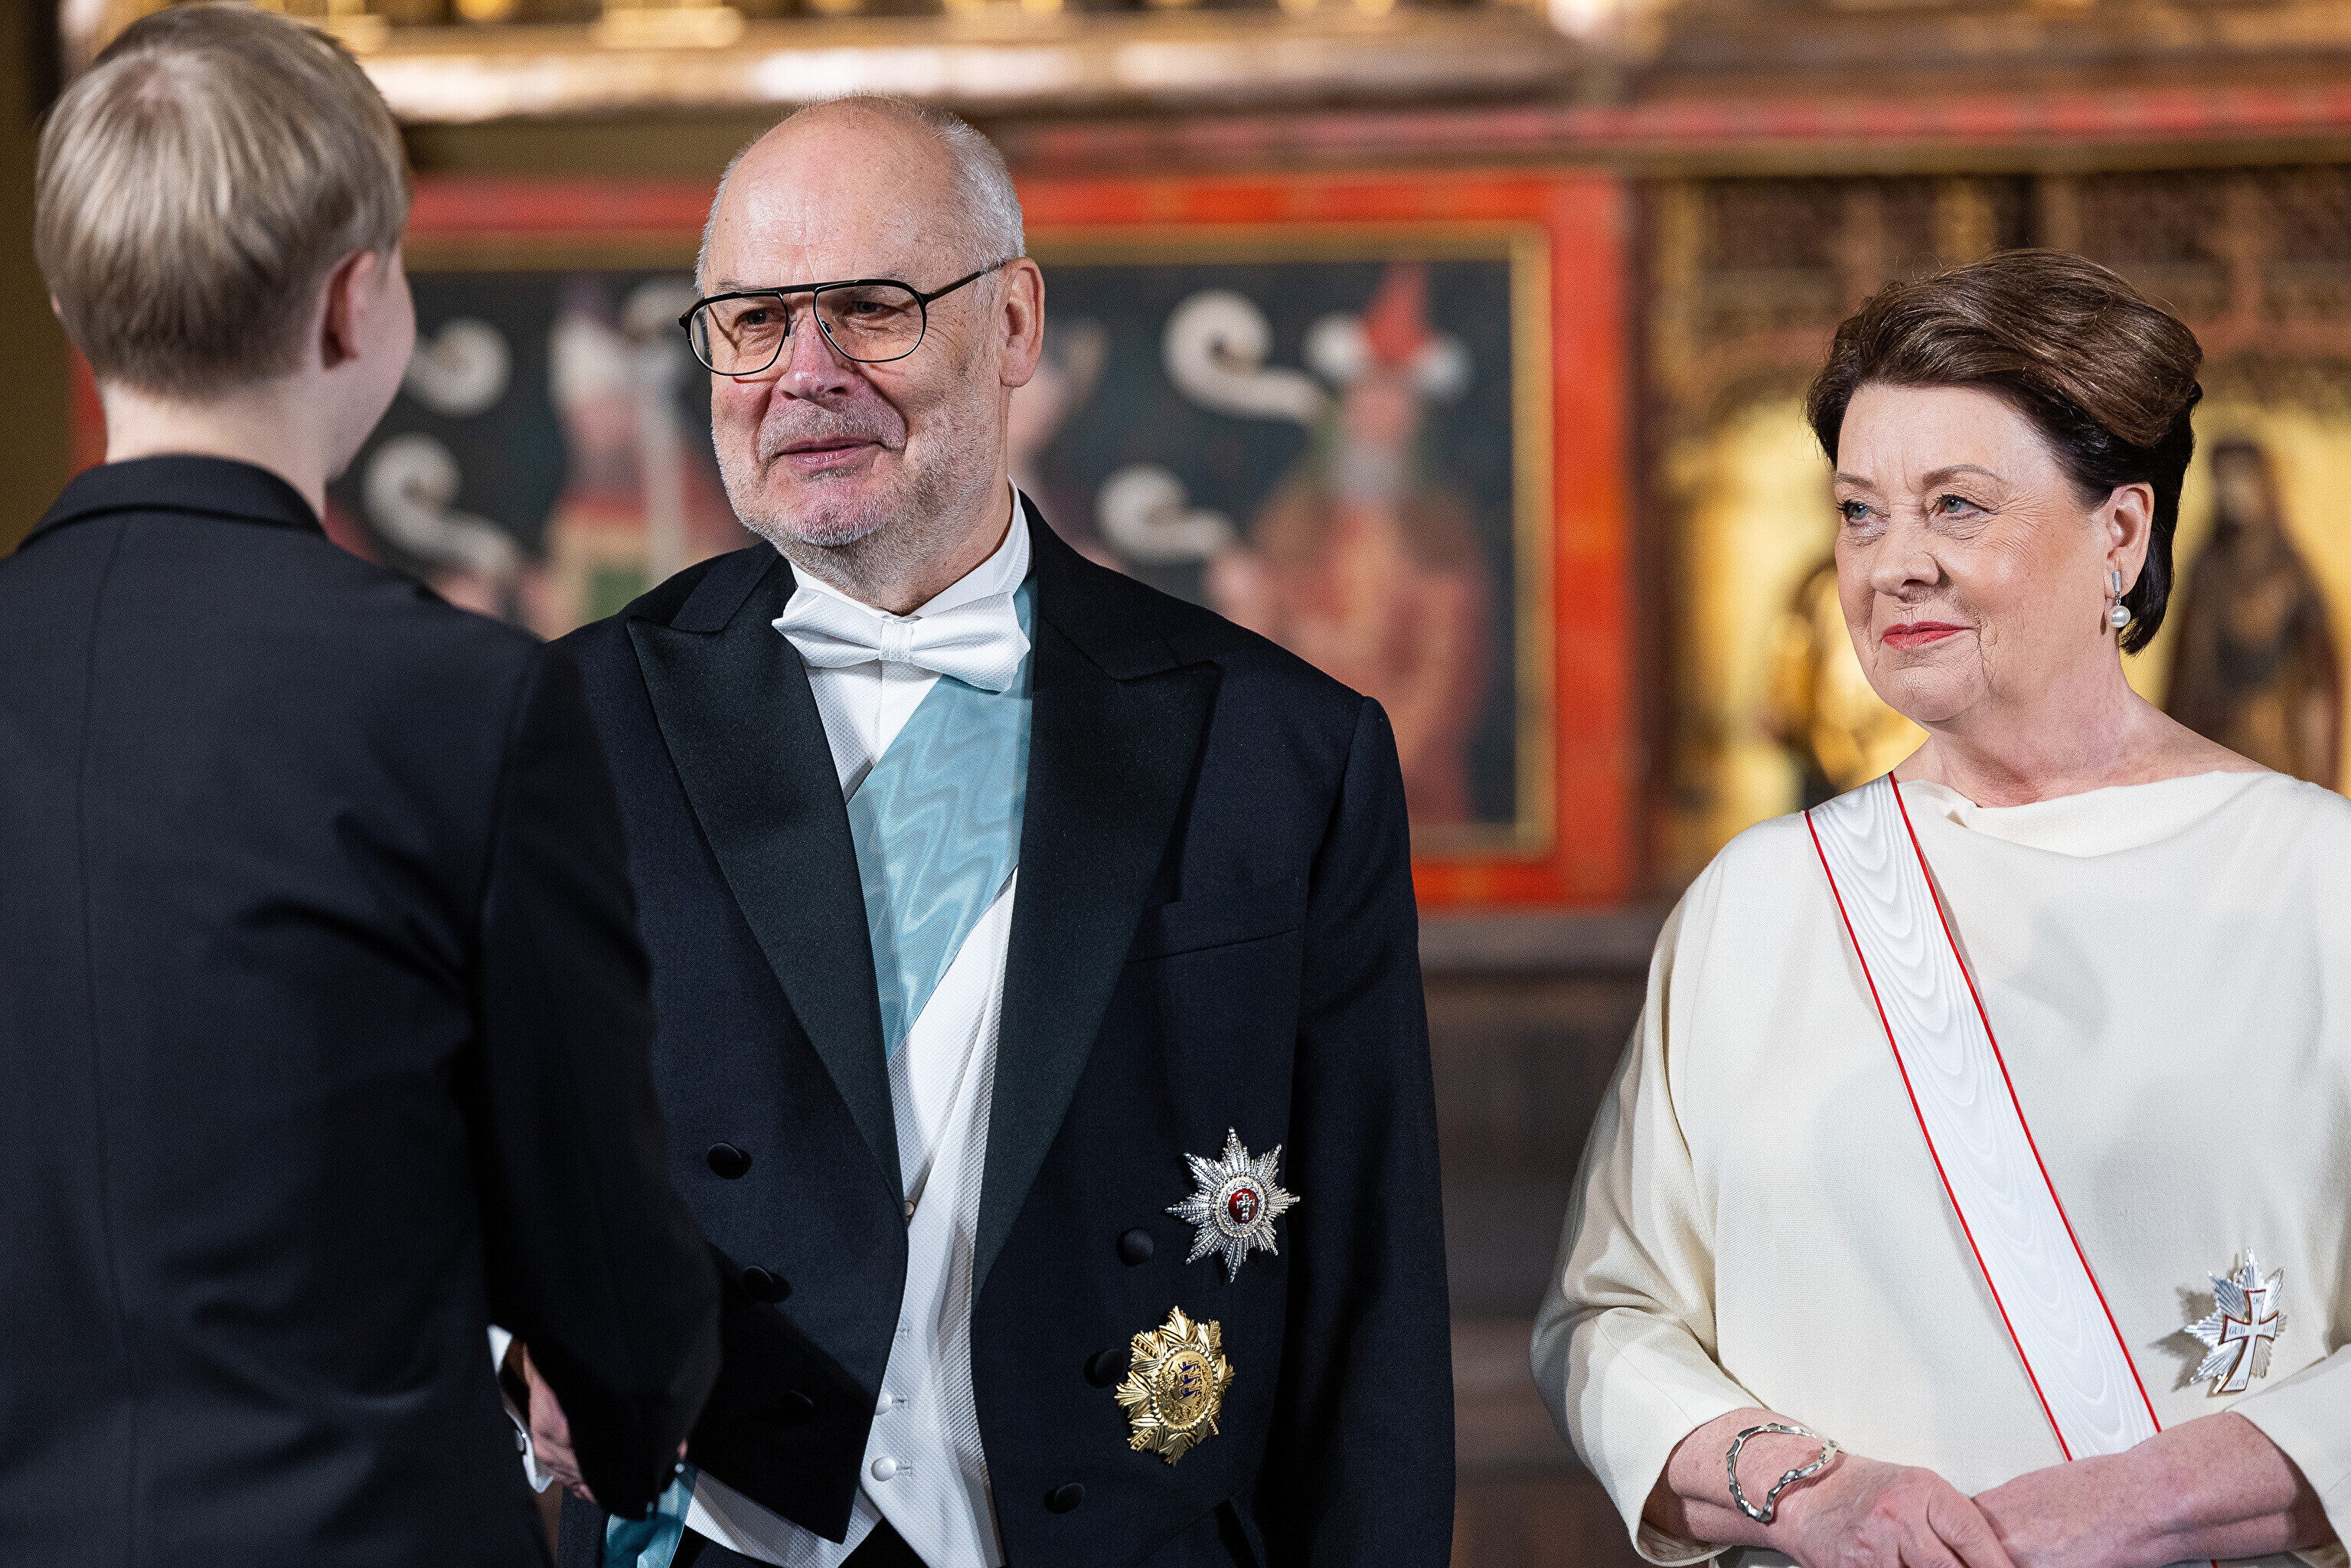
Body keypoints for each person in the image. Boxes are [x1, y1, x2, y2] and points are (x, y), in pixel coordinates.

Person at [518, 96, 1454, 1568]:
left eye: (870, 309)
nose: (805, 373)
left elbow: (1370, 1303)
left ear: (1013, 322)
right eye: (753, 321)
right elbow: (443, 1144)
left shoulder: (1284, 748)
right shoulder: (560, 726)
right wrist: (520, 1346)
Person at [0, 8, 719, 1563]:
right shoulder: (465, 699)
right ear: (357, 300)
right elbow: (598, 1247)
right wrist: (626, 1408)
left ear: (71, 302)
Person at [1534, 250, 2349, 1568]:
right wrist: (1809, 1494)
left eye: (1955, 506)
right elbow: (1609, 1320)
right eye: (1859, 514)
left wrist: (2149, 1499)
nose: (1892, 565)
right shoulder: (1758, 901)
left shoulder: (2316, 878)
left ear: (2120, 534)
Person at [2164, 439, 2340, 788]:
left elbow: (2320, 681)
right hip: (2214, 739)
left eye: (2242, 476)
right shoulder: (2207, 567)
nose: (2232, 491)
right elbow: (2186, 669)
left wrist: (2322, 775)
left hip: (2277, 742)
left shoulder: (2292, 571)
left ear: (2264, 482)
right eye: (2223, 478)